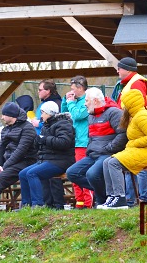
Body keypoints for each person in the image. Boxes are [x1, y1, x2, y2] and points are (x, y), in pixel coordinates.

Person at [99, 89, 147, 209]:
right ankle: (112, 196)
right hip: (141, 149)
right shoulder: (134, 116)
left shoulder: (142, 117)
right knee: (106, 162)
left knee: (113, 163)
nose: (123, 107)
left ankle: (120, 198)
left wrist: (134, 143)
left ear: (131, 104)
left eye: (125, 104)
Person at [66, 87, 127, 207]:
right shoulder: (91, 116)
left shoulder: (114, 113)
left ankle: (102, 200)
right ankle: (105, 195)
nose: (85, 104)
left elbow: (123, 134)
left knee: (92, 174)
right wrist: (89, 150)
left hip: (107, 153)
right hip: (93, 154)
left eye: (87, 101)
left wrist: (110, 148)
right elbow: (92, 137)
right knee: (72, 173)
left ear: (95, 100)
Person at [110, 57, 147, 207]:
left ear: (127, 69)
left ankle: (142, 199)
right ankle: (131, 199)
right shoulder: (130, 82)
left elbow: (139, 104)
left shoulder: (136, 82)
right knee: (128, 162)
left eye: (119, 68)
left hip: (135, 127)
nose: (117, 71)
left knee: (138, 164)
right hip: (130, 126)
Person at [19, 101, 75, 207]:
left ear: (50, 113)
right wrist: (36, 140)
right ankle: (26, 205)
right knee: (22, 174)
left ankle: (37, 205)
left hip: (61, 160)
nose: (41, 115)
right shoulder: (46, 125)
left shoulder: (63, 124)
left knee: (32, 174)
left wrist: (44, 139)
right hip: (47, 159)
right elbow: (41, 143)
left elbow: (64, 143)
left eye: (43, 112)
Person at [29, 79, 65, 210]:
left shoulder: (56, 105)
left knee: (53, 179)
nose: (38, 92)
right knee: (39, 175)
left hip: (56, 155)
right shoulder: (44, 104)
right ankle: (47, 204)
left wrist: (39, 125)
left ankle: (57, 205)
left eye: (40, 90)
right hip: (44, 151)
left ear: (48, 91)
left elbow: (59, 134)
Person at [61, 75, 92, 209]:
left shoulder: (88, 100)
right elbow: (64, 114)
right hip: (74, 142)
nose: (71, 92)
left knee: (83, 173)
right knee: (73, 173)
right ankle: (79, 202)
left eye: (73, 89)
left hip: (84, 143)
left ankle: (88, 203)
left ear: (80, 88)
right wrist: (65, 101)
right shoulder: (74, 101)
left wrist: (71, 103)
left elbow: (79, 115)